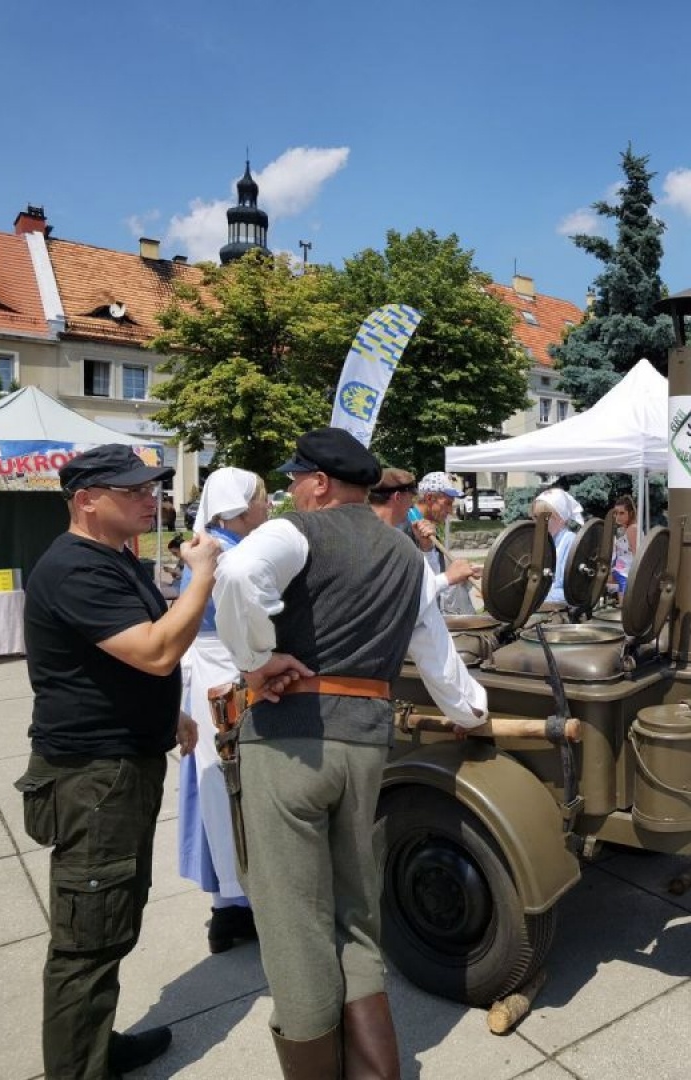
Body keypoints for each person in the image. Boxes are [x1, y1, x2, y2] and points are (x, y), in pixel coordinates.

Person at [213, 427, 488, 1077]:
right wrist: (472, 717)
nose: (287, 492)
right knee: (357, 922)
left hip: (289, 742)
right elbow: (442, 665)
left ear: (319, 484)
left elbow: (234, 573)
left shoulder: (294, 532)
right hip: (366, 748)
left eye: (293, 481)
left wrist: (255, 662)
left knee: (292, 926)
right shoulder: (404, 557)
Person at [16, 444, 213, 1079]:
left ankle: (95, 1046)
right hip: (92, 777)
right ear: (86, 500)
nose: (148, 498)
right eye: (131, 490)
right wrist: (201, 576)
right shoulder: (76, 567)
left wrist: (169, 717)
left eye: (150, 488)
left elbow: (124, 660)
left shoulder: (111, 559)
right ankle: (78, 1068)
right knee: (88, 935)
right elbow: (156, 651)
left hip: (117, 765)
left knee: (112, 918)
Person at [175, 467, 269, 954]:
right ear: (237, 506)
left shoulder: (208, 545)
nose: (267, 505)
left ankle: (226, 911)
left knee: (215, 791)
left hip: (209, 674)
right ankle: (245, 906)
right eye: (261, 498)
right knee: (236, 792)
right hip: (230, 673)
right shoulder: (228, 555)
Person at [411, 470, 481, 615]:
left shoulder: (431, 525)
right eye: (447, 503)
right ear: (429, 498)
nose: (450, 510)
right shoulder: (408, 527)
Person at [534, 488, 582, 605]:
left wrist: (537, 597)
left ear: (561, 519)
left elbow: (569, 589)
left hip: (559, 609)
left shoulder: (569, 541)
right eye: (535, 517)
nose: (537, 523)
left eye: (544, 518)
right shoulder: (541, 541)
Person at [608, 494, 638, 600]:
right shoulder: (624, 530)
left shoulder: (633, 529)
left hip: (626, 574)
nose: (618, 517)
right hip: (619, 570)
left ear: (631, 513)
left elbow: (637, 555)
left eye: (622, 513)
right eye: (616, 513)